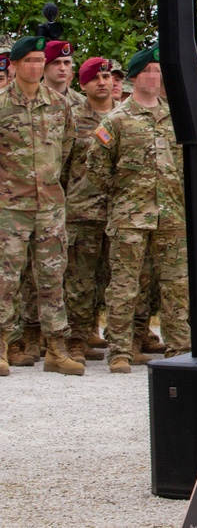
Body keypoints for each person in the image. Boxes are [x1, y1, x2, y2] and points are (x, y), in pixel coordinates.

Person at [88, 45, 193, 372]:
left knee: (176, 284)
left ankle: (180, 347)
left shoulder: (176, 114)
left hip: (171, 215)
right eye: (148, 70)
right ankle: (120, 350)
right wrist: (123, 192)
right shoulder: (117, 119)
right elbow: (95, 167)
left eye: (158, 70)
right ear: (134, 77)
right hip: (130, 217)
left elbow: (186, 162)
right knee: (124, 285)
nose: (154, 75)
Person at [0, 35, 82, 377]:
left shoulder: (59, 104)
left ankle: (55, 348)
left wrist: (49, 183)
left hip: (49, 205)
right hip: (10, 207)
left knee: (52, 278)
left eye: (38, 60)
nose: (35, 67)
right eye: (29, 61)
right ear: (14, 65)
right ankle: (2, 344)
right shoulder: (2, 104)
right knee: (7, 278)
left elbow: (66, 149)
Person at [63, 57, 119, 363]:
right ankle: (76, 338)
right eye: (95, 78)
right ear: (82, 85)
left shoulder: (126, 115)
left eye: (107, 76)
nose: (103, 82)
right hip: (82, 211)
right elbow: (60, 162)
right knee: (80, 281)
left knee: (115, 279)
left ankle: (121, 337)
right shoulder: (71, 118)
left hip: (120, 211)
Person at [41, 40, 85, 106]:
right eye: (56, 63)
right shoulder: (30, 99)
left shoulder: (83, 102)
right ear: (43, 66)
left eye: (66, 62)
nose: (62, 68)